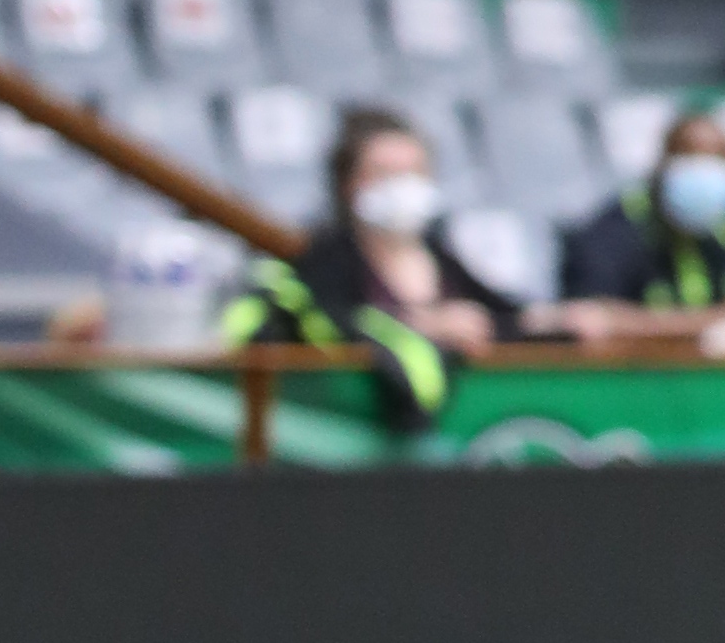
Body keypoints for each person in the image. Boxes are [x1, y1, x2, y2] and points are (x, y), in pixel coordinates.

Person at [225, 104, 532, 440]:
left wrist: (558, 319)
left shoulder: (440, 254)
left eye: (414, 171)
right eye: (384, 173)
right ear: (348, 183)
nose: (402, 186)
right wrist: (425, 324)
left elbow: (501, 316)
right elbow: (334, 323)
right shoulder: (325, 259)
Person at [555, 101, 725, 325]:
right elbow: (590, 317)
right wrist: (723, 318)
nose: (703, 171)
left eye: (717, 159)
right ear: (662, 163)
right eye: (689, 155)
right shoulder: (615, 230)